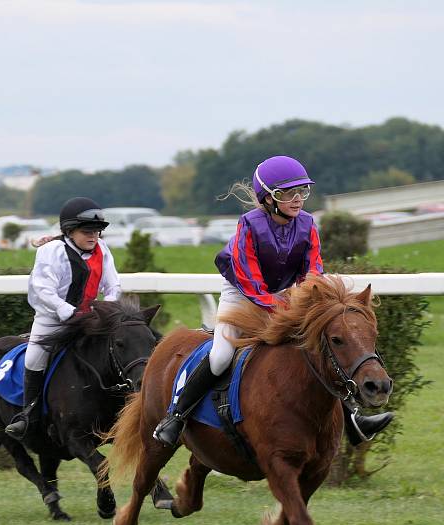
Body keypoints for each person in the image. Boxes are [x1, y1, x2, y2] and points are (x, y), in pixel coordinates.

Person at [152, 155, 394, 448]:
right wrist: (283, 309)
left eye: (302, 192)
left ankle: (354, 420)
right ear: (268, 198)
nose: (297, 199)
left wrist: (309, 303)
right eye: (287, 193)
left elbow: (314, 271)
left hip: (284, 295)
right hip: (241, 294)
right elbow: (251, 281)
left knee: (319, 350)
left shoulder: (308, 224)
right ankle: (175, 416)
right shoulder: (248, 226)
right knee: (221, 355)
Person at [4, 197, 122, 441]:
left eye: (97, 231)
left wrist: (106, 310)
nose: (94, 236)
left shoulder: (102, 250)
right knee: (35, 356)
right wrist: (67, 310)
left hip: (91, 319)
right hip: (53, 319)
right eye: (87, 231)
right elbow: (43, 289)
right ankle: (29, 415)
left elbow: (113, 286)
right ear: (70, 231)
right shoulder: (51, 251)